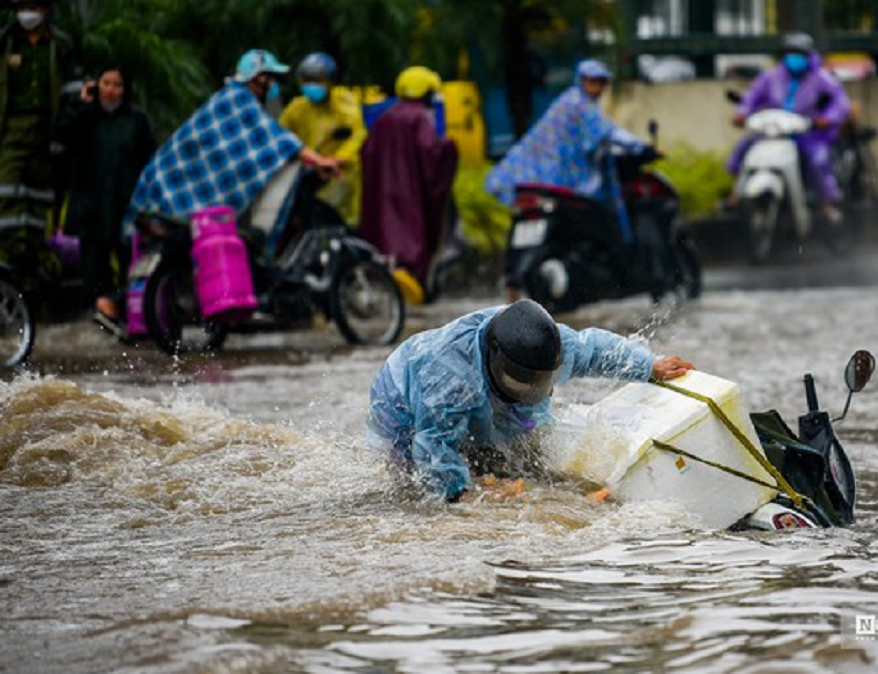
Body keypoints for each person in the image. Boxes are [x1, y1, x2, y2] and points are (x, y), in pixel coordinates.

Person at [367, 298, 695, 502]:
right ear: (494, 357)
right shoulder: (451, 379)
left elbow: (593, 348)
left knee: (519, 464)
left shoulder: (551, 344)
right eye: (521, 382)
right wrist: (462, 495)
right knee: (420, 485)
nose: (530, 391)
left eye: (539, 382)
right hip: (400, 402)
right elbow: (434, 446)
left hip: (478, 391)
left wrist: (648, 366)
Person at [124, 48, 340, 252]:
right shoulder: (240, 100)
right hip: (171, 189)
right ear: (257, 78)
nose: (272, 84)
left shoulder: (229, 97)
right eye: (269, 77)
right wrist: (320, 160)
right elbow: (278, 139)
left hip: (162, 182)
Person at [484, 59, 646, 245]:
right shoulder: (580, 104)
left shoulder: (569, 101)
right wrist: (640, 146)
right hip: (564, 180)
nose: (597, 87)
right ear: (581, 80)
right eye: (591, 81)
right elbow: (608, 132)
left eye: (601, 82)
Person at [55, 65, 155, 323]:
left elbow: (149, 162)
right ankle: (97, 327)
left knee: (129, 271)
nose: (110, 90)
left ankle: (125, 321)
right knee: (93, 278)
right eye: (105, 83)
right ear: (95, 85)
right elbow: (61, 134)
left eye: (117, 84)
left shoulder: (137, 120)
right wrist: (80, 104)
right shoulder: (85, 117)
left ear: (125, 89)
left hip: (125, 209)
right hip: (90, 209)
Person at [726, 32, 851, 223]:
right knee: (744, 148)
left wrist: (827, 118)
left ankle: (826, 203)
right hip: (775, 132)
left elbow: (840, 103)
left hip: (808, 133)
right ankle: (737, 194)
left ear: (809, 56)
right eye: (790, 54)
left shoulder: (821, 78)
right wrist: (742, 113)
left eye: (799, 54)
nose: (794, 59)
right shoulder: (772, 77)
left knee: (818, 160)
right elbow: (752, 97)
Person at [360, 65, 458, 304]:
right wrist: (449, 148)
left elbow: (365, 152)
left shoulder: (384, 118)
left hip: (381, 195)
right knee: (413, 238)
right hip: (411, 196)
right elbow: (431, 154)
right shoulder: (421, 117)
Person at [0, 0, 77, 282]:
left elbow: (70, 88)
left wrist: (64, 129)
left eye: (33, 5)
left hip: (47, 128)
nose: (27, 12)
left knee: (39, 195)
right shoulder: (6, 41)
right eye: (22, 5)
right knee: (6, 190)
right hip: (11, 127)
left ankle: (31, 255)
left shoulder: (60, 44)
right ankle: (10, 253)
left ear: (46, 9)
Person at [279, 52, 364, 227]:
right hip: (308, 174)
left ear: (330, 81)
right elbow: (280, 135)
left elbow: (357, 135)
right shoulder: (297, 108)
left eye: (318, 80)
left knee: (343, 222)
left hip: (340, 174)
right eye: (307, 80)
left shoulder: (344, 104)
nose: (312, 85)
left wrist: (336, 159)